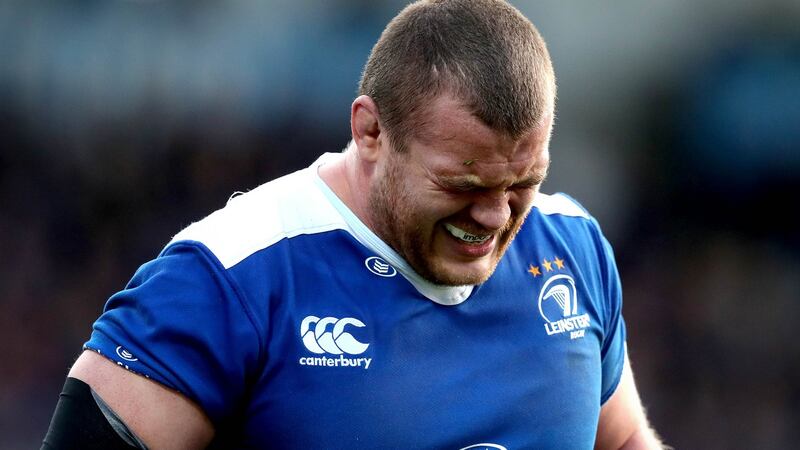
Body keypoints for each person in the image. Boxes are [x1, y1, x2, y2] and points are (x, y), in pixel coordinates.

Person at [43, 0, 666, 448]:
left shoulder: (572, 249)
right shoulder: (232, 273)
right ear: (370, 131)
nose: (495, 216)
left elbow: (624, 439)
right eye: (462, 185)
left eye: (522, 183)